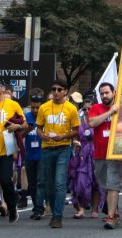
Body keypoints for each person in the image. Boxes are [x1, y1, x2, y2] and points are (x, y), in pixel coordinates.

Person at [36, 79, 79, 228]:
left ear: (65, 91)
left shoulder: (71, 109)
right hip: (47, 148)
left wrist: (64, 136)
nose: (56, 92)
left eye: (59, 90)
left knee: (60, 183)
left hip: (63, 148)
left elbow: (76, 130)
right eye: (54, 89)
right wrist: (42, 136)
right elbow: (39, 128)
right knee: (49, 184)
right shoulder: (44, 107)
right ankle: (54, 210)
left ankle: (57, 216)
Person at [0, 78, 26, 227]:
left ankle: (12, 205)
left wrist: (16, 126)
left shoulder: (12, 104)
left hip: (6, 151)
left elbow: (25, 123)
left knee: (6, 181)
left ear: (2, 88)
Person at [88, 83, 122, 229]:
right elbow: (92, 122)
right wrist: (110, 112)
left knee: (113, 185)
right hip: (99, 154)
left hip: (116, 154)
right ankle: (114, 212)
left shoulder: (121, 107)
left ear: (113, 92)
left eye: (107, 93)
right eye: (102, 93)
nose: (104, 96)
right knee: (105, 185)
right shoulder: (95, 108)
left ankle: (111, 217)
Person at [69, 98, 102, 220]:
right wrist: (76, 142)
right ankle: (81, 209)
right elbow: (74, 136)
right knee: (81, 181)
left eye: (90, 108)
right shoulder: (79, 121)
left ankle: (94, 209)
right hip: (82, 154)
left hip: (96, 153)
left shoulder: (98, 120)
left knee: (95, 182)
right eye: (85, 108)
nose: (87, 111)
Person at [24, 90, 45, 220]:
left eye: (38, 107)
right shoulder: (26, 116)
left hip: (42, 154)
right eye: (33, 107)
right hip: (29, 155)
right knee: (31, 183)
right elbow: (19, 135)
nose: (36, 110)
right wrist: (27, 130)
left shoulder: (45, 116)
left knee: (40, 182)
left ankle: (38, 208)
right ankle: (36, 206)